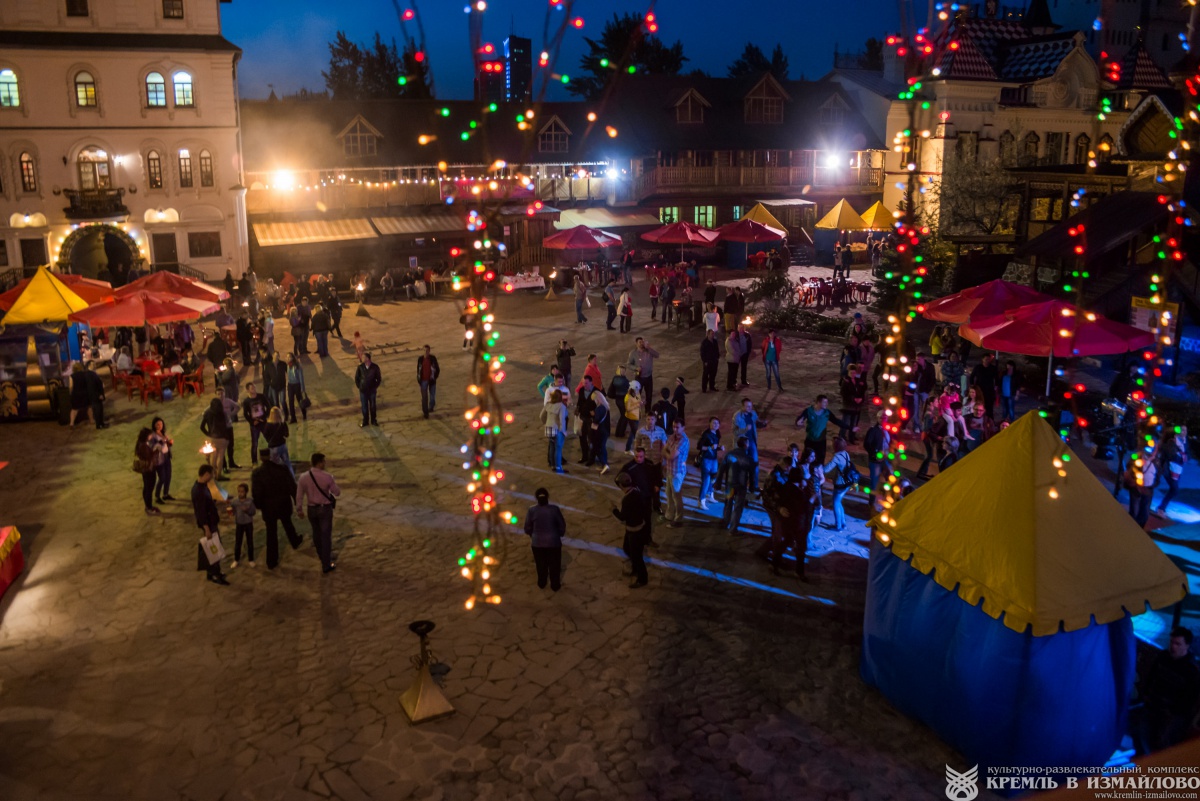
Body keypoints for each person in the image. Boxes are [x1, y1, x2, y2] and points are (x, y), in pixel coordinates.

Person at [1137, 627, 1200, 753]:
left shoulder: (1191, 671)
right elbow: (1152, 676)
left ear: (1186, 646)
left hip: (1170, 715)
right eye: (1172, 642)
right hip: (1152, 706)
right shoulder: (1163, 657)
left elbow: (1189, 699)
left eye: (1178, 644)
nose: (1173, 646)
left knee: (1161, 745)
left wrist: (1174, 714)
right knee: (1141, 736)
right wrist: (1146, 694)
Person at [251, 448, 303, 569]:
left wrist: (259, 505)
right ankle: (295, 541)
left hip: (269, 508)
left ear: (260, 458)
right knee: (287, 523)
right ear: (270, 456)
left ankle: (271, 560)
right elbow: (291, 486)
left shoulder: (257, 474)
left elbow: (256, 493)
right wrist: (296, 501)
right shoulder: (282, 469)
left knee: (271, 533)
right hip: (283, 503)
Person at [296, 452, 341, 573]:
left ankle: (322, 556)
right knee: (325, 536)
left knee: (316, 534)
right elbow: (336, 492)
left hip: (311, 509)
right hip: (324, 509)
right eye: (324, 462)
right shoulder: (327, 477)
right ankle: (326, 564)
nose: (325, 464)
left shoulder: (303, 477)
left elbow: (299, 496)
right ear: (320, 463)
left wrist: (299, 509)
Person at [775, 467, 818, 579]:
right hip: (798, 523)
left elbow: (779, 501)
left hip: (787, 521)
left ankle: (774, 564)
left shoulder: (785, 487)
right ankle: (799, 572)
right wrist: (812, 500)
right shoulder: (798, 493)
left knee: (787, 541)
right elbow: (803, 508)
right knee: (801, 547)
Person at [524, 487, 567, 591]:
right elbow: (562, 526)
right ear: (548, 497)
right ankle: (555, 584)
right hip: (554, 542)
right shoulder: (554, 509)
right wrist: (559, 534)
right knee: (555, 565)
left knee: (540, 564)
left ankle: (542, 582)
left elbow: (527, 528)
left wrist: (532, 535)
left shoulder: (532, 510)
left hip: (537, 543)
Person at [193, 465, 229, 585]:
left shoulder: (201, 487)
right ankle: (216, 574)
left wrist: (219, 501)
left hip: (210, 522)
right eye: (212, 474)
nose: (213, 476)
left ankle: (210, 573)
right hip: (209, 524)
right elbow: (201, 512)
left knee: (212, 548)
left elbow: (208, 503)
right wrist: (207, 529)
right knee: (214, 549)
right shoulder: (199, 492)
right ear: (206, 474)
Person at [795, 394, 856, 465]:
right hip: (810, 440)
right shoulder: (808, 411)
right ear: (818, 402)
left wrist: (850, 428)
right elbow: (799, 419)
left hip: (821, 441)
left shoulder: (827, 413)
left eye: (827, 402)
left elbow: (836, 421)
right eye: (824, 402)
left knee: (820, 460)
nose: (826, 404)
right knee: (806, 458)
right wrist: (798, 422)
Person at [613, 472, 648, 588]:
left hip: (634, 531)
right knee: (627, 548)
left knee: (637, 556)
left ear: (621, 486)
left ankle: (642, 578)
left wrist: (614, 510)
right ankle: (635, 568)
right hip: (639, 528)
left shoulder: (627, 499)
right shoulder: (637, 492)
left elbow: (623, 517)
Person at [716, 436, 753, 534]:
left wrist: (718, 482)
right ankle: (733, 528)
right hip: (741, 486)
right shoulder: (749, 458)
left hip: (730, 484)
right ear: (746, 445)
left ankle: (725, 522)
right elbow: (752, 474)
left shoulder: (729, 454)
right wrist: (752, 486)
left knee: (728, 503)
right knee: (738, 506)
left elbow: (721, 469)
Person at [824, 437, 859, 532]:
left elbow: (826, 469)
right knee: (839, 502)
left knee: (835, 503)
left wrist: (819, 468)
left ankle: (838, 526)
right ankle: (843, 523)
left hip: (840, 484)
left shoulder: (837, 457)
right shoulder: (846, 454)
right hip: (847, 482)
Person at [1156, 426, 1189, 518]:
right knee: (1174, 490)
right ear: (1177, 431)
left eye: (1185, 430)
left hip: (1177, 470)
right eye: (1182, 430)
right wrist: (1182, 456)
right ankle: (1161, 509)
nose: (1184, 432)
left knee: (1174, 490)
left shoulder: (1185, 443)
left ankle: (1161, 508)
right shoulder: (1172, 442)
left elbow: (1187, 455)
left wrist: (1182, 456)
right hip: (1169, 469)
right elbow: (1172, 456)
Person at [662, 420, 690, 526]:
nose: (675, 429)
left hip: (677, 472)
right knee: (668, 493)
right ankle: (670, 514)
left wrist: (667, 454)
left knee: (676, 496)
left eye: (677, 427)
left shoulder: (684, 440)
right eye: (674, 427)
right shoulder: (671, 437)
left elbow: (671, 455)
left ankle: (678, 519)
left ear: (683, 428)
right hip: (670, 469)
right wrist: (668, 453)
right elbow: (664, 450)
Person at [733, 398, 764, 493]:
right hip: (742, 444)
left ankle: (754, 486)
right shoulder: (737, 416)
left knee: (755, 464)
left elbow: (756, 422)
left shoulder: (753, 413)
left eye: (750, 406)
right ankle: (741, 486)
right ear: (742, 406)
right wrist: (745, 429)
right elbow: (735, 432)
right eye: (747, 406)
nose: (750, 408)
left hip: (752, 442)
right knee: (743, 466)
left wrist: (762, 423)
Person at [200, 397, 231, 479]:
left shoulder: (207, 413)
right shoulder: (222, 413)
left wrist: (209, 434)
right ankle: (219, 475)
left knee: (214, 456)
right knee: (221, 457)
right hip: (223, 437)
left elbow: (202, 427)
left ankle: (213, 474)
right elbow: (226, 426)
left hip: (213, 437)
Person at [227, 483, 257, 569]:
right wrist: (230, 512)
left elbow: (253, 512)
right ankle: (236, 559)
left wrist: (247, 511)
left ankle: (251, 559)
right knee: (238, 542)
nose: (240, 493)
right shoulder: (235, 502)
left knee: (250, 542)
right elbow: (233, 512)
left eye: (242, 492)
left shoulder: (250, 501)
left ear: (246, 492)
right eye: (239, 491)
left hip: (248, 524)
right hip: (239, 524)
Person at [863, 415, 890, 508]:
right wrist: (874, 453)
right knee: (874, 482)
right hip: (875, 461)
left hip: (885, 459)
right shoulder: (873, 430)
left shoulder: (888, 430)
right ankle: (871, 502)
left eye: (885, 418)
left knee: (890, 478)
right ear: (878, 419)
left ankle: (888, 498)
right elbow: (866, 444)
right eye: (882, 418)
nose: (884, 420)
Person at [133, 427, 160, 515]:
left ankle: (148, 506)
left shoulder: (140, 443)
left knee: (147, 487)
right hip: (148, 469)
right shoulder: (143, 446)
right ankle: (148, 507)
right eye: (150, 435)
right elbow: (149, 457)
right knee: (149, 488)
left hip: (145, 469)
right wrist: (156, 451)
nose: (151, 436)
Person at [1125, 453, 1156, 528]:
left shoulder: (1153, 462)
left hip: (1143, 489)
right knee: (1138, 511)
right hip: (1140, 488)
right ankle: (1132, 528)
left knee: (1141, 511)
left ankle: (1135, 528)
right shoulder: (1136, 458)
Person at [541, 390, 569, 473]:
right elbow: (562, 420)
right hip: (557, 429)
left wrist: (546, 423)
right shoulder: (561, 406)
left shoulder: (548, 405)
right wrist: (563, 431)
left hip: (548, 428)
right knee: (558, 448)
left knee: (552, 446)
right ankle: (558, 467)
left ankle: (552, 464)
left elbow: (541, 416)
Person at [241, 382, 269, 465]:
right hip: (254, 425)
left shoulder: (261, 397)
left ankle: (273, 455)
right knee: (254, 443)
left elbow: (268, 406)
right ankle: (254, 461)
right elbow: (245, 414)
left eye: (254, 387)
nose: (254, 389)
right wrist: (252, 422)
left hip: (263, 423)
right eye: (252, 388)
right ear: (248, 390)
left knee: (269, 439)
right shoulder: (246, 401)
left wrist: (264, 418)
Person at [148, 416, 175, 503]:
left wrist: (169, 443)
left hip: (167, 457)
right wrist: (160, 442)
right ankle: (157, 496)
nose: (160, 426)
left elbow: (165, 445)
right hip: (159, 459)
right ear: (154, 425)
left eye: (161, 424)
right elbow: (151, 447)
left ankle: (165, 494)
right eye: (157, 424)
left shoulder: (163, 433)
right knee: (162, 478)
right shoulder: (152, 436)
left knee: (168, 476)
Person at [839, 364, 867, 443]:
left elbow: (862, 390)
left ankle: (852, 437)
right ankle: (842, 437)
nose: (853, 374)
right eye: (851, 373)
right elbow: (843, 393)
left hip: (856, 406)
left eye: (854, 373)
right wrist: (853, 398)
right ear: (848, 372)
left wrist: (860, 399)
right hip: (848, 406)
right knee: (845, 422)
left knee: (854, 423)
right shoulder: (845, 382)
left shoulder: (858, 381)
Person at [626, 337, 659, 403]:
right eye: (639, 342)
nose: (641, 344)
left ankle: (648, 411)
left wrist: (649, 348)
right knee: (637, 395)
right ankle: (637, 410)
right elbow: (628, 364)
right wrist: (636, 368)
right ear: (636, 344)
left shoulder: (648, 351)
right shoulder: (633, 353)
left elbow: (657, 355)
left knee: (649, 395)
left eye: (642, 342)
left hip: (648, 377)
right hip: (639, 378)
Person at [262, 407, 293, 475]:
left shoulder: (268, 425)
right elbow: (286, 435)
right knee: (287, 463)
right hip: (282, 445)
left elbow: (265, 435)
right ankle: (291, 478)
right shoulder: (282, 423)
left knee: (275, 465)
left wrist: (269, 440)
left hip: (273, 447)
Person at [355, 352, 382, 427]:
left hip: (372, 391)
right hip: (363, 391)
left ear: (367, 358)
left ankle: (373, 420)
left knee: (373, 406)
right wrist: (360, 386)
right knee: (364, 406)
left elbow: (378, 378)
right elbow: (357, 378)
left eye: (363, 357)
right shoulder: (360, 367)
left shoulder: (375, 367)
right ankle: (365, 421)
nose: (362, 358)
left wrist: (375, 386)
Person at [972, 353, 1000, 420]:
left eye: (988, 359)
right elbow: (972, 377)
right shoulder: (978, 367)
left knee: (989, 407)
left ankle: (990, 421)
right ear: (983, 359)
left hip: (989, 390)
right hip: (979, 390)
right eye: (986, 359)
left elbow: (997, 379)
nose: (987, 361)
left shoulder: (993, 368)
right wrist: (972, 386)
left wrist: (996, 387)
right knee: (979, 406)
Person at [589, 391, 612, 474]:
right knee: (602, 447)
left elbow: (596, 420)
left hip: (599, 431)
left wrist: (592, 416)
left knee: (599, 447)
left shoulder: (599, 408)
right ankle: (604, 464)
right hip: (605, 430)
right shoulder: (606, 407)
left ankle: (604, 464)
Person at [416, 344, 440, 419]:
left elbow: (437, 369)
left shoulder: (433, 358)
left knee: (432, 395)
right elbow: (418, 369)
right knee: (424, 397)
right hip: (423, 380)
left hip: (431, 379)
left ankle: (431, 406)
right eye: (424, 350)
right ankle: (425, 412)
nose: (426, 352)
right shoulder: (420, 359)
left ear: (429, 351)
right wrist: (419, 378)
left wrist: (435, 377)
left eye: (427, 350)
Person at [609, 365, 631, 439]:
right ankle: (620, 433)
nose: (624, 372)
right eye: (623, 371)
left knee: (622, 416)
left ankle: (618, 432)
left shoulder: (615, 379)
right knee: (625, 416)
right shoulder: (624, 380)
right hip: (623, 400)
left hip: (617, 400)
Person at [622, 381, 642, 453]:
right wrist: (638, 405)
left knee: (633, 433)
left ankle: (628, 448)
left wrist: (640, 403)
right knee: (635, 434)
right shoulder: (627, 397)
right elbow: (627, 408)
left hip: (636, 416)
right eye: (637, 389)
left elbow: (638, 400)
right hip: (632, 417)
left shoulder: (636, 393)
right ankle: (632, 449)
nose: (638, 391)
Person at [700, 329, 721, 393]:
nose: (713, 335)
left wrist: (717, 357)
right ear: (708, 334)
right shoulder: (704, 342)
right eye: (711, 334)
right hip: (708, 362)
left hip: (714, 361)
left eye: (713, 334)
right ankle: (704, 388)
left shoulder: (714, 341)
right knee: (706, 375)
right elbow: (702, 353)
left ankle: (712, 386)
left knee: (713, 375)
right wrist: (705, 361)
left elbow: (717, 350)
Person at [735, 323, 753, 388]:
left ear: (744, 328)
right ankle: (734, 381)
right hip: (737, 354)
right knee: (735, 368)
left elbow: (750, 344)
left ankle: (743, 380)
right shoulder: (735, 335)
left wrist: (748, 352)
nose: (740, 329)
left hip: (745, 353)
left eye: (742, 328)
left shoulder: (747, 335)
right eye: (739, 328)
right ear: (737, 328)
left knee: (744, 367)